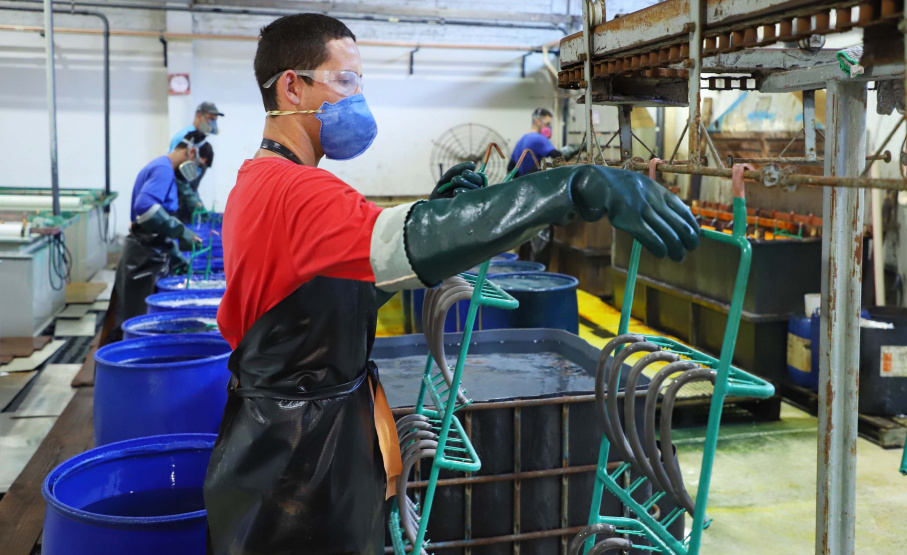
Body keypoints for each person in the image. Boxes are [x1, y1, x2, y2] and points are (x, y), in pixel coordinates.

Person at [203, 13, 700, 555]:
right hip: (293, 475)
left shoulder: (269, 182)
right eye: (344, 81)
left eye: (359, 84)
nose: (357, 98)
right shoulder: (290, 191)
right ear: (291, 85)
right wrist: (570, 189)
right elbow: (407, 241)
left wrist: (435, 210)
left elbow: (337, 297)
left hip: (309, 444)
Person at [104, 131, 204, 344]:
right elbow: (145, 206)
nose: (194, 167)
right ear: (191, 151)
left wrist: (177, 256)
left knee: (136, 317)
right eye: (196, 162)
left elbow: (158, 225)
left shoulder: (164, 169)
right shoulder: (163, 169)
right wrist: (180, 231)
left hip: (148, 251)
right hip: (142, 259)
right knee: (138, 324)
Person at [507, 108, 577, 177]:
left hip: (522, 183)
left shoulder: (521, 140)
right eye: (547, 124)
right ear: (537, 121)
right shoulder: (538, 138)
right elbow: (558, 156)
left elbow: (510, 168)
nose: (548, 127)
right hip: (533, 181)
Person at [176, 140, 214, 223]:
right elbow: (185, 190)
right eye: (198, 164)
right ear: (192, 153)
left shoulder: (202, 168)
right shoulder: (176, 168)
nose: (198, 167)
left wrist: (199, 206)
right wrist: (196, 204)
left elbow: (193, 189)